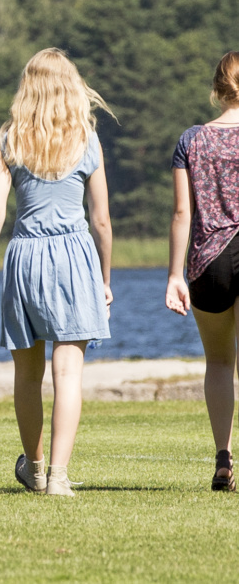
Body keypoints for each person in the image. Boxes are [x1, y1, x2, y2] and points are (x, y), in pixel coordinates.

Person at [0, 48, 113, 497]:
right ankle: (59, 478)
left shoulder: (9, 139)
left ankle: (34, 467)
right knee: (67, 373)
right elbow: (102, 219)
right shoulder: (87, 140)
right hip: (73, 257)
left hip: (25, 256)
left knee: (27, 375)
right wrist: (105, 279)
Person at [165, 51, 239, 492]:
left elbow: (180, 213)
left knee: (218, 361)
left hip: (208, 261)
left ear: (216, 90)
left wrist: (175, 275)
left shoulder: (190, 140)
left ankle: (223, 459)